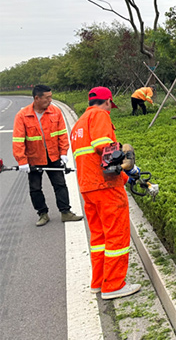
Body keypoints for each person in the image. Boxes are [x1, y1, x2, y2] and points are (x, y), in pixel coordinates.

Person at [71, 86, 141, 300]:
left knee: (99, 237)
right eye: (110, 105)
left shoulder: (79, 124)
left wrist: (127, 176)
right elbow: (104, 148)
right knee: (117, 235)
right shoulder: (100, 115)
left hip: (88, 187)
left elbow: (95, 160)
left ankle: (99, 282)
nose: (110, 109)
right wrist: (127, 163)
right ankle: (113, 285)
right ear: (108, 101)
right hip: (106, 187)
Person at [12, 84, 83, 227]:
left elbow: (62, 134)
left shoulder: (55, 112)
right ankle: (42, 214)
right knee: (35, 188)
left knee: (60, 184)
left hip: (53, 156)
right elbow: (18, 140)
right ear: (36, 98)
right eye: (47, 98)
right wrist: (22, 161)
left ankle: (65, 212)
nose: (50, 100)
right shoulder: (23, 115)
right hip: (34, 158)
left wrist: (64, 153)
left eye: (51, 97)